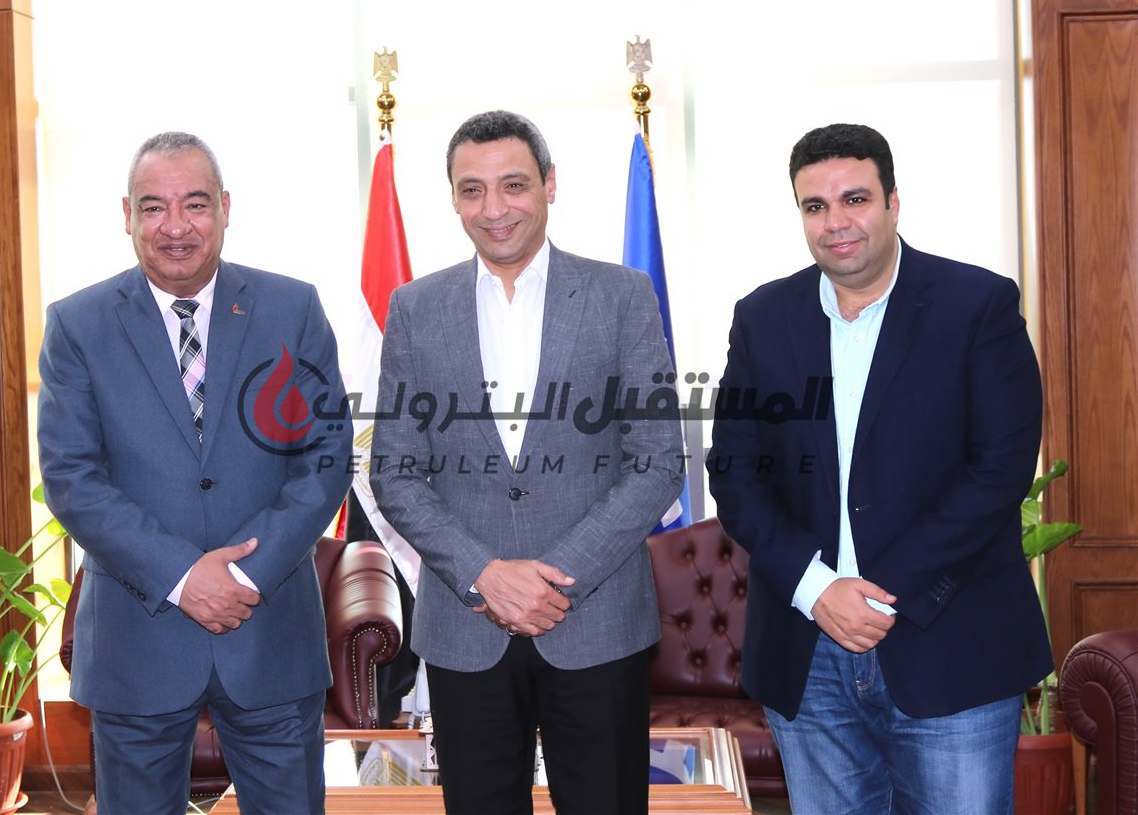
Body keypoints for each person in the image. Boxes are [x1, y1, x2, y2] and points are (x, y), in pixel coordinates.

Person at [707, 123, 1052, 815]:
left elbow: (999, 470)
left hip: (948, 641)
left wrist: (878, 594)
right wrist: (817, 588)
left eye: (855, 199)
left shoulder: (977, 305)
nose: (835, 222)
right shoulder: (763, 318)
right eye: (815, 206)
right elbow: (737, 473)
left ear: (893, 201)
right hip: (808, 650)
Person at [369, 110, 684, 815]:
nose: (494, 208)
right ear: (454, 199)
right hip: (467, 626)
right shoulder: (415, 308)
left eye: (513, 185)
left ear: (549, 184)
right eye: (472, 190)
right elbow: (394, 470)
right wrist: (486, 574)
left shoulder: (622, 296)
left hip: (596, 620)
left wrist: (552, 578)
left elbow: (658, 460)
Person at [37, 131, 351, 815]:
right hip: (137, 638)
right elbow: (72, 477)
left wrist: (243, 576)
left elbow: (325, 457)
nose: (175, 226)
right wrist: (183, 577)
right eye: (154, 206)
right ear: (127, 214)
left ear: (226, 208)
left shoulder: (292, 308)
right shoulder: (77, 325)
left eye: (195, 204)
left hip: (268, 630)